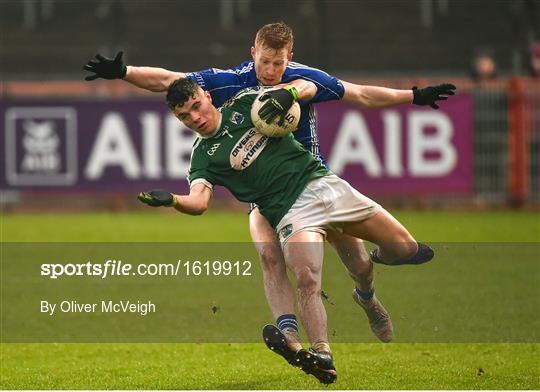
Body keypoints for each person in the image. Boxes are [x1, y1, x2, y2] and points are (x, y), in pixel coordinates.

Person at [83, 21, 455, 372]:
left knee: (358, 262)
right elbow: (172, 82)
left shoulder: (303, 78)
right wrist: (124, 72)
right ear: (253, 53)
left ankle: (366, 296)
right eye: (264, 61)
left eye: (279, 63)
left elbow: (359, 94)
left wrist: (414, 96)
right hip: (269, 198)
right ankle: (295, 337)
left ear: (289, 58)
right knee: (275, 258)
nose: (271, 69)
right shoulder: (233, 85)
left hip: (312, 178)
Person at [137, 79, 436, 384]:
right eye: (184, 116)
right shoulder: (203, 155)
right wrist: (174, 201)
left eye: (196, 106)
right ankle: (322, 352)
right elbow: (199, 201)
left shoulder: (246, 104)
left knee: (397, 252)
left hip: (325, 186)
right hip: (293, 212)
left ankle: (366, 297)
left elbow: (307, 86)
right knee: (307, 278)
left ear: (207, 97)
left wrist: (288, 93)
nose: (195, 118)